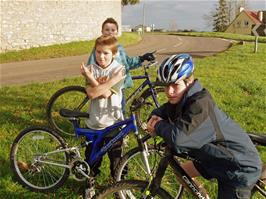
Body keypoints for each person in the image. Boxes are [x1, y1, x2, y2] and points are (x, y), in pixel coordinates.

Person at [147, 54, 262, 199]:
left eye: (175, 85)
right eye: (166, 86)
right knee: (181, 173)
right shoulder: (184, 100)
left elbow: (179, 140)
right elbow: (163, 111)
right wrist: (154, 118)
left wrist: (157, 125)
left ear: (189, 82)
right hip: (215, 157)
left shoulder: (200, 106)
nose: (169, 91)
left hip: (237, 167)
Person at [86, 17, 155, 113]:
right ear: (102, 31)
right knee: (106, 111)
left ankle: (119, 125)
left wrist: (142, 58)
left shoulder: (120, 48)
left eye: (113, 30)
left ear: (117, 32)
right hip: (104, 86)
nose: (110, 32)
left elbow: (127, 62)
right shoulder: (99, 49)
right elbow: (90, 67)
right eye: (107, 29)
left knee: (119, 109)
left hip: (119, 86)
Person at [80, 35, 125, 179]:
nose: (101, 56)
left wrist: (109, 81)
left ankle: (121, 188)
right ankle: (89, 185)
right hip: (93, 123)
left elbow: (106, 94)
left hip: (113, 124)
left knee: (117, 162)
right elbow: (92, 94)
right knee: (92, 161)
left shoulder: (119, 70)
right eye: (98, 52)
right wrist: (109, 80)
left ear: (114, 53)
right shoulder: (90, 69)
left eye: (106, 53)